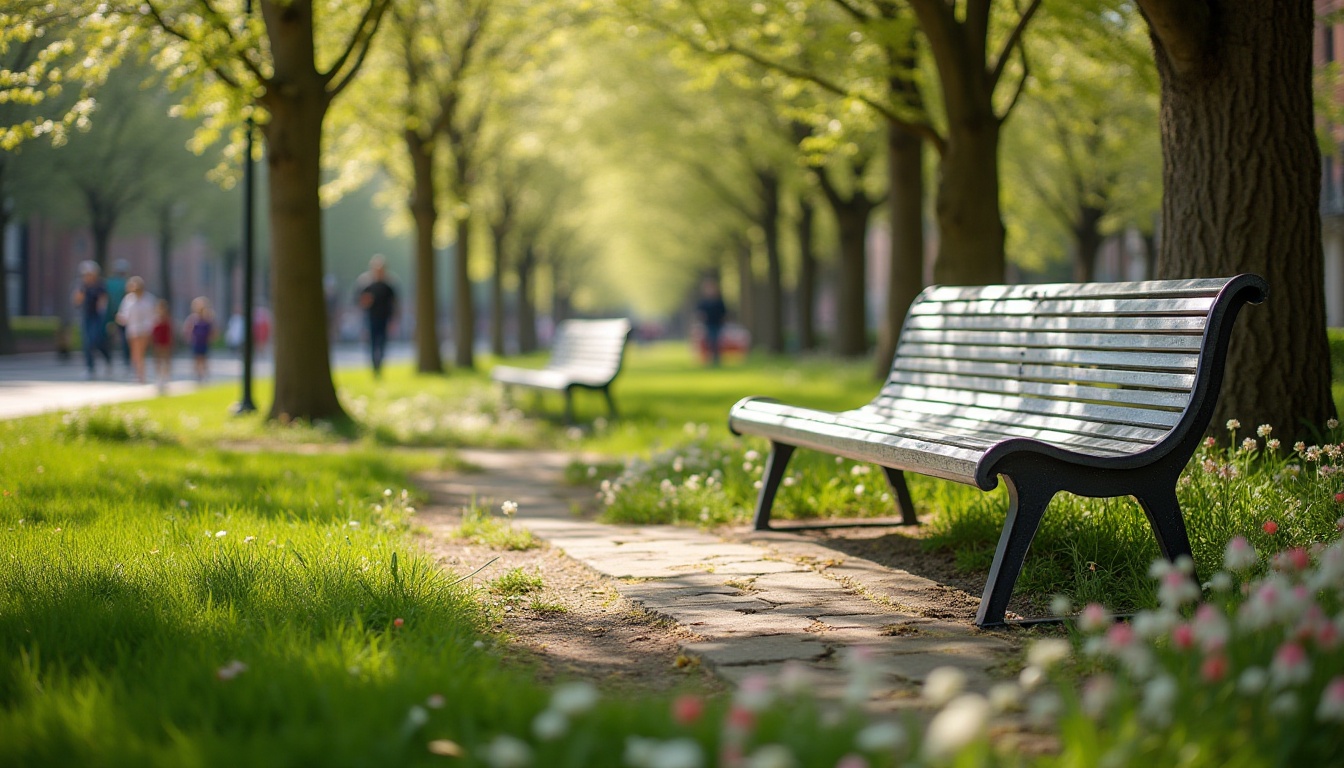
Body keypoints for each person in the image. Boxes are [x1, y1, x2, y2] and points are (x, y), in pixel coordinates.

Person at [355, 255, 397, 377]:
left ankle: (380, 365)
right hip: (370, 319)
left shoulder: (389, 285)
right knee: (372, 343)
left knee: (382, 343)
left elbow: (394, 304)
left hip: (385, 319)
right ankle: (374, 367)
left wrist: (393, 321)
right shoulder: (365, 284)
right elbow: (359, 301)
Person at [71, 261, 111, 379]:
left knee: (97, 340)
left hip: (97, 316)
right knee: (87, 342)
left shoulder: (100, 285)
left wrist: (102, 311)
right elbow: (76, 301)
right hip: (86, 316)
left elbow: (103, 301)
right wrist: (79, 294)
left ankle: (107, 359)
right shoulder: (81, 286)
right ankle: (90, 368)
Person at [115, 276, 157, 384]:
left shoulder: (149, 299)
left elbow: (153, 316)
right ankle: (138, 373)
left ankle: (141, 374)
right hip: (132, 330)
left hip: (144, 330)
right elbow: (124, 315)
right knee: (135, 353)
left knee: (140, 352)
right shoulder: (128, 299)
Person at [696, 277, 728, 367]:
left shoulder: (719, 301)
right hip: (708, 324)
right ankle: (711, 359)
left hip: (718, 324)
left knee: (717, 341)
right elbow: (699, 313)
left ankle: (717, 359)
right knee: (710, 341)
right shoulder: (703, 302)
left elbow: (724, 312)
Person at [105, 259, 130, 369]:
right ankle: (127, 361)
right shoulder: (127, 284)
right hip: (123, 314)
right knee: (125, 338)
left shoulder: (108, 283)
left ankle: (108, 360)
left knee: (109, 338)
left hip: (110, 314)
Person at [183, 296, 215, 382]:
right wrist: (189, 337)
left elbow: (212, 330)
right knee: (196, 359)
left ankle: (204, 374)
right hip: (196, 342)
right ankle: (198, 375)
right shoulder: (193, 318)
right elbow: (187, 329)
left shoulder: (207, 318)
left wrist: (211, 338)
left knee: (204, 359)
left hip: (204, 342)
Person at [150, 300, 174, 391]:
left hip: (166, 343)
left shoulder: (167, 320)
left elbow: (170, 333)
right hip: (158, 343)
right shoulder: (155, 320)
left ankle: (166, 377)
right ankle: (159, 377)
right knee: (158, 360)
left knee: (166, 360)